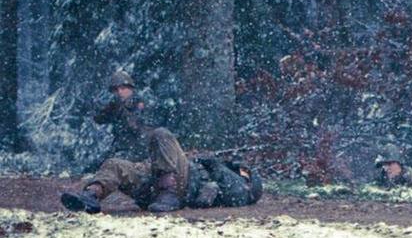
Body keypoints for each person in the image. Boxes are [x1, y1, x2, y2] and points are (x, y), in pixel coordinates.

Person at [61, 71, 262, 214]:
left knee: (161, 134)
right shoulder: (116, 107)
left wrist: (209, 163)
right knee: (114, 164)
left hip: (180, 184)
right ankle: (91, 196)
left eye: (123, 88)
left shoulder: (235, 181)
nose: (119, 92)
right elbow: (99, 118)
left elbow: (156, 126)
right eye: (116, 89)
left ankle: (168, 192)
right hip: (150, 181)